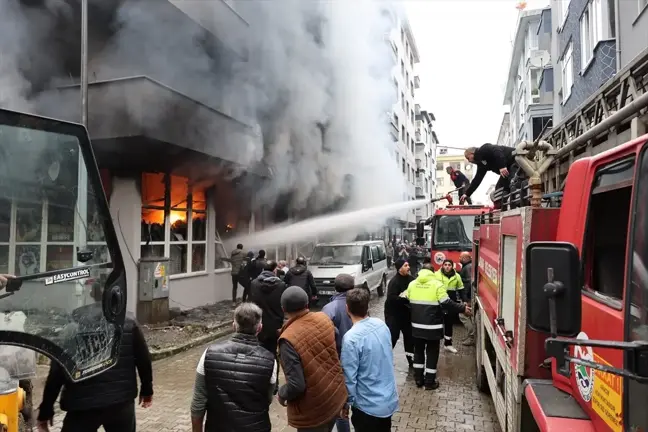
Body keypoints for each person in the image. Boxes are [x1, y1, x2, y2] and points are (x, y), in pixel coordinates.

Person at [36, 312, 153, 431]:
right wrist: (147, 389)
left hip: (81, 406)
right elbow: (143, 358)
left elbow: (57, 372)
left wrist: (46, 409)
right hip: (120, 402)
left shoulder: (71, 328)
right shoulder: (128, 321)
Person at [190, 303, 276, 432]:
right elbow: (268, 398)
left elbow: (198, 403)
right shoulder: (270, 360)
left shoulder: (209, 354)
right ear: (259, 328)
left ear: (234, 326)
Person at [277, 286, 347, 432]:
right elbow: (335, 334)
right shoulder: (323, 318)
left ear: (283, 309)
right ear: (307, 304)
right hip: (335, 396)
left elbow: (296, 385)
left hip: (314, 411)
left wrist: (282, 393)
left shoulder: (287, 339)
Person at [401, 263, 470, 390]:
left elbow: (407, 300)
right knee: (432, 353)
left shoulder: (412, 284)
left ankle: (418, 379)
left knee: (418, 352)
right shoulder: (437, 285)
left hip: (416, 327)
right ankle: (429, 382)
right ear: (433, 272)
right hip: (432, 327)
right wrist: (462, 308)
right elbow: (447, 303)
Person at [341, 288, 398, 432]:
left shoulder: (351, 338)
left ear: (347, 308)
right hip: (387, 401)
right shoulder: (381, 325)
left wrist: (346, 403)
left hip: (367, 407)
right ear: (368, 306)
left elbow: (349, 377)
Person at [321, 274, 355, 432]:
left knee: (340, 404)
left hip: (337, 360)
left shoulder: (329, 308)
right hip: (356, 359)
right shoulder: (358, 304)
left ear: (335, 288)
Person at [250, 260, 287, 359]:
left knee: (257, 353)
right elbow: (283, 305)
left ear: (263, 270)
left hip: (258, 325)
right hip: (275, 325)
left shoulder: (254, 284)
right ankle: (273, 372)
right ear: (275, 270)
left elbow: (251, 303)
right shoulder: (281, 285)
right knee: (273, 353)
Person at [461, 144, 516, 209]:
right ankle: (502, 209)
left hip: (515, 161)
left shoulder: (483, 149)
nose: (469, 161)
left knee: (513, 182)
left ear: (471, 153)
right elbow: (477, 180)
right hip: (507, 170)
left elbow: (497, 150)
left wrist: (502, 166)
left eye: (468, 158)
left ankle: (518, 203)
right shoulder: (482, 164)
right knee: (499, 189)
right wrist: (467, 194)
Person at [383, 259, 414, 368]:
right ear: (400, 268)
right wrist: (405, 299)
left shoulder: (412, 280)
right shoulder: (394, 282)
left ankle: (411, 360)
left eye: (408, 265)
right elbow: (391, 299)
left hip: (407, 315)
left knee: (409, 338)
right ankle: (384, 359)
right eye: (406, 265)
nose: (408, 267)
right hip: (394, 315)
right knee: (392, 337)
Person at [434, 259, 466, 354]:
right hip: (438, 303)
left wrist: (464, 301)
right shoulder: (436, 275)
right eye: (445, 265)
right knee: (437, 324)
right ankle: (435, 345)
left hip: (450, 303)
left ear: (452, 266)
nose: (447, 266)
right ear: (442, 266)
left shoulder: (457, 276)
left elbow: (461, 290)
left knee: (449, 324)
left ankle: (448, 344)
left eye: (449, 265)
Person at [458, 252, 475, 346]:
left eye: (460, 257)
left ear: (466, 258)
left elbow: (468, 284)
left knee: (463, 315)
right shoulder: (467, 266)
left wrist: (466, 299)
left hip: (468, 298)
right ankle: (470, 335)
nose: (459, 258)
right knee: (469, 316)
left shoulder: (467, 267)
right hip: (469, 297)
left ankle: (472, 337)